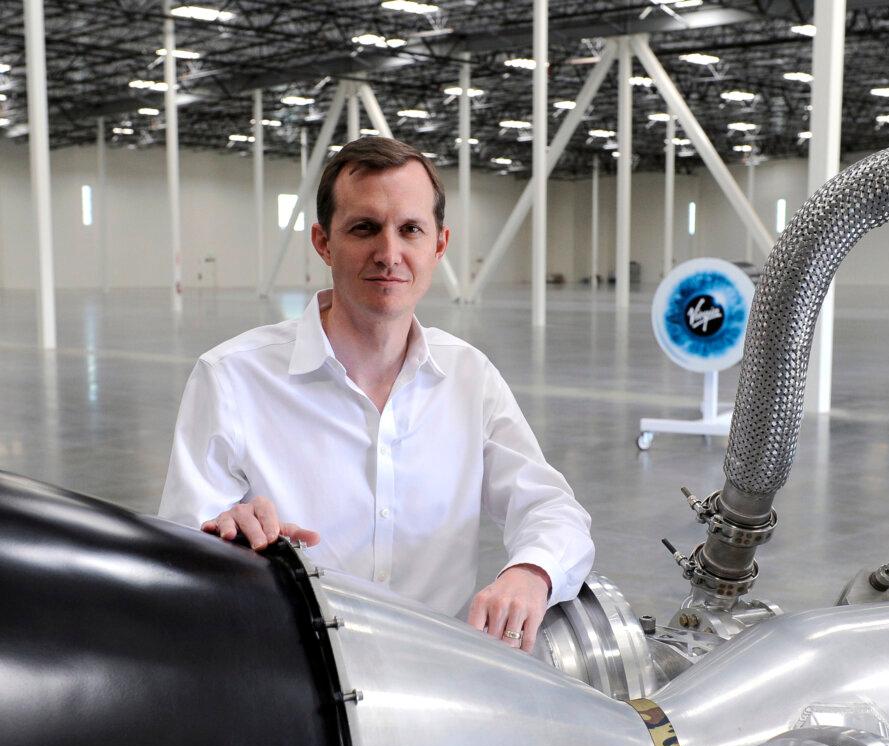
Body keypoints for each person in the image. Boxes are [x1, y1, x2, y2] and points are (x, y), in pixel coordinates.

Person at [159, 137, 594, 652]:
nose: (389, 254)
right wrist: (222, 538)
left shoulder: (469, 379)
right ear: (323, 243)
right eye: (364, 228)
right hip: (297, 674)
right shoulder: (232, 378)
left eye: (410, 229)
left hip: (444, 678)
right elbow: (183, 551)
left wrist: (529, 572)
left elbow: (551, 507)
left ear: (439, 244)